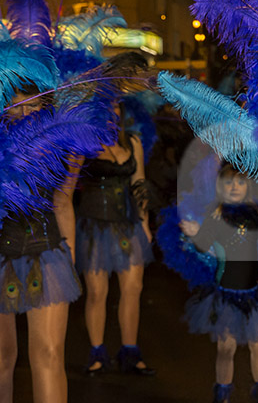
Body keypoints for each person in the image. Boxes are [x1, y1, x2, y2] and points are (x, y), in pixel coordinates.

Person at [180, 163, 258, 403]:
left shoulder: (256, 216)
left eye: (240, 182)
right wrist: (195, 232)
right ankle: (223, 394)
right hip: (226, 295)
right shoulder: (216, 218)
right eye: (229, 182)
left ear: (248, 185)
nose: (235, 187)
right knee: (226, 348)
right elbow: (202, 245)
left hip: (252, 295)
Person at [0, 89, 82, 403]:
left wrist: (69, 259)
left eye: (32, 104)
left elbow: (63, 201)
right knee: (3, 357)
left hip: (46, 251)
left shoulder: (65, 143)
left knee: (48, 354)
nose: (22, 113)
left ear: (45, 105)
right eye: (15, 104)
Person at [73, 102, 155, 376]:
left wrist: (145, 223)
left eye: (115, 108)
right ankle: (97, 352)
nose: (112, 113)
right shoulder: (83, 143)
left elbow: (139, 183)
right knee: (97, 292)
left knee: (133, 287)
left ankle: (130, 351)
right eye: (105, 108)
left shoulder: (132, 142)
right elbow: (69, 188)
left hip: (128, 225)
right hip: (94, 226)